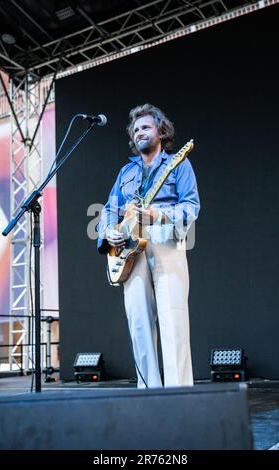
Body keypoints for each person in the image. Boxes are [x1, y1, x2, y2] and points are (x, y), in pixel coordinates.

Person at [97, 103, 200, 388]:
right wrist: (109, 231)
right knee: (139, 324)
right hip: (130, 250)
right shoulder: (125, 172)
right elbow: (108, 210)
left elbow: (191, 207)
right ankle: (148, 394)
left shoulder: (178, 163)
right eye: (136, 129)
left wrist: (157, 213)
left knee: (173, 321)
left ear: (161, 132)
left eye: (146, 127)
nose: (140, 132)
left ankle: (179, 395)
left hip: (165, 241)